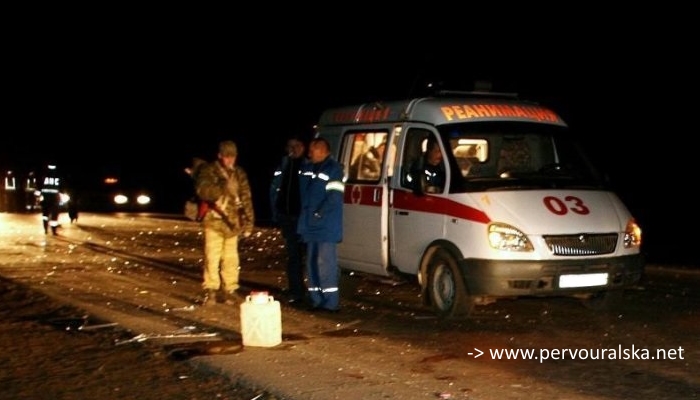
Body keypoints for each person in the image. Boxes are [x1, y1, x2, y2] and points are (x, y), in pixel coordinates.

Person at [194, 140, 255, 306]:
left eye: (232, 157)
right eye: (226, 157)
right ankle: (211, 290)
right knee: (212, 257)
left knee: (231, 259)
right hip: (214, 221)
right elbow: (203, 191)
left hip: (233, 223)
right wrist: (223, 187)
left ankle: (230, 290)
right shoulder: (209, 170)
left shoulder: (239, 173)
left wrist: (249, 221)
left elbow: (246, 198)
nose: (230, 160)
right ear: (219, 156)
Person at [297, 137, 345, 312]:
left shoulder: (334, 169)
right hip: (310, 225)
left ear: (323, 150)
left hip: (325, 226)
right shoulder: (309, 168)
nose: (310, 153)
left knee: (325, 264)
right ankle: (316, 299)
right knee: (311, 263)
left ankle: (331, 303)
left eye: (313, 149)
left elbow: (335, 196)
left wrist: (320, 212)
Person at [269, 136, 307, 304]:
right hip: (286, 216)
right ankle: (296, 291)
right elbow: (274, 189)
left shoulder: (307, 165)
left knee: (307, 256)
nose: (294, 149)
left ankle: (310, 291)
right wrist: (275, 211)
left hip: (302, 218)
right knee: (293, 257)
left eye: (297, 145)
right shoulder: (283, 165)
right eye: (290, 146)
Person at [39, 164, 62, 235]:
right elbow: (61, 187)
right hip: (54, 199)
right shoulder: (58, 176)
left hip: (45, 199)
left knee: (45, 215)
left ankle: (45, 229)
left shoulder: (43, 175)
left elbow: (39, 186)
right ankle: (53, 231)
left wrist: (39, 196)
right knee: (54, 216)